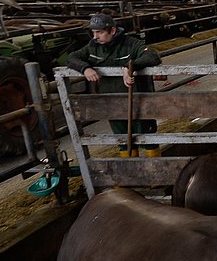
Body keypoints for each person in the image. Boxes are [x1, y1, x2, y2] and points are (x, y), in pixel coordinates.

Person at [65, 13, 163, 157]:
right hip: (112, 101)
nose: (95, 36)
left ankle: (157, 170)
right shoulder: (93, 47)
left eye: (100, 32)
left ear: (112, 30)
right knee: (122, 139)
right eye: (93, 32)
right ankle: (132, 170)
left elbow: (152, 56)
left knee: (147, 136)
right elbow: (71, 58)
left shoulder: (130, 44)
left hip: (137, 101)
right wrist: (85, 68)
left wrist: (130, 66)